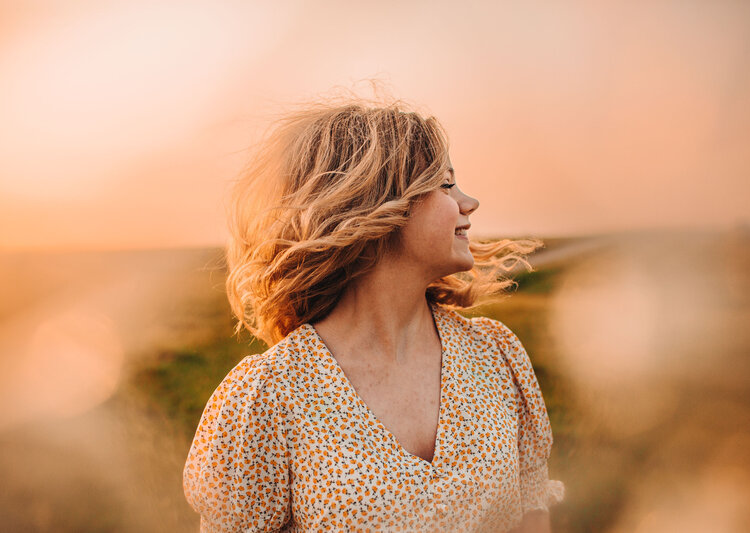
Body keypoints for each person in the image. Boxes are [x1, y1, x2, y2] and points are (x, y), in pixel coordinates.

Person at [182, 96, 565, 532]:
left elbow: (531, 517)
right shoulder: (268, 396)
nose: (469, 202)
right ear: (375, 206)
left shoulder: (496, 356)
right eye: (444, 184)